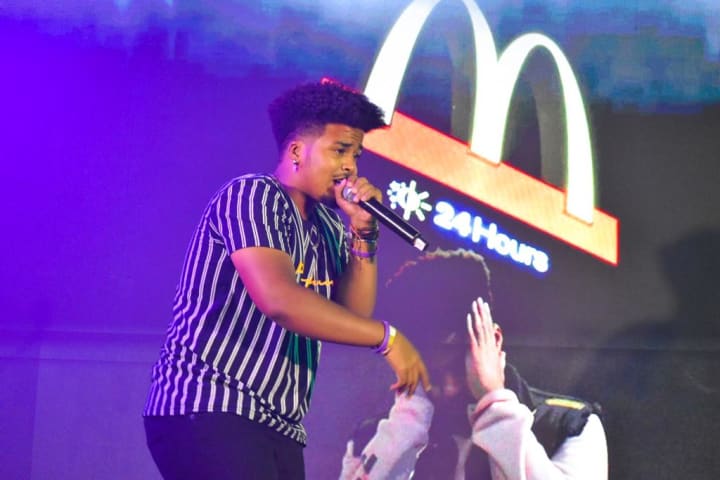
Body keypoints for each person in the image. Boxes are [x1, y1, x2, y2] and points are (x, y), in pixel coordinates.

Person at [142, 79, 431, 480]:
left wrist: (364, 231)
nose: (350, 167)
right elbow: (279, 300)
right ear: (296, 151)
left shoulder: (329, 226)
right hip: (210, 406)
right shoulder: (253, 195)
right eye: (340, 150)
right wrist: (388, 339)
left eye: (356, 155)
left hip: (278, 424)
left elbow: (352, 314)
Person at [340, 250, 607, 480]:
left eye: (458, 369)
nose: (450, 388)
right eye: (432, 375)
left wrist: (495, 404)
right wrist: (406, 426)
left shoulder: (567, 426)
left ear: (494, 340)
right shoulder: (372, 438)